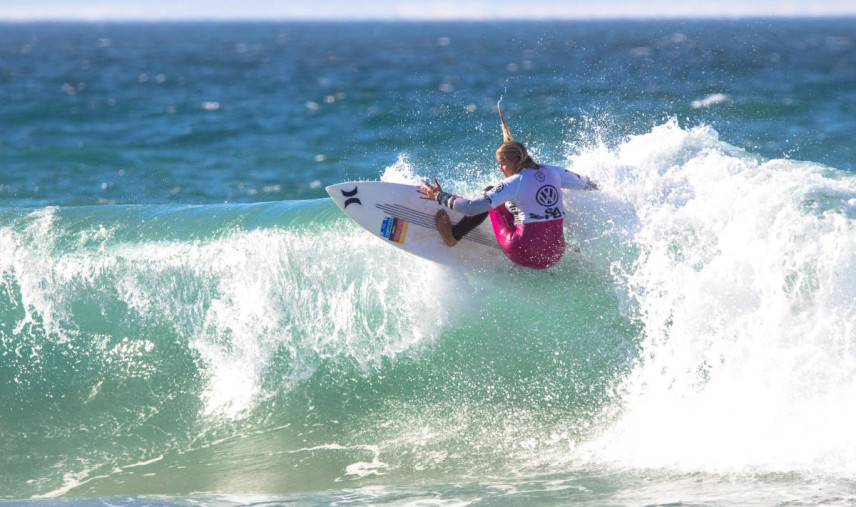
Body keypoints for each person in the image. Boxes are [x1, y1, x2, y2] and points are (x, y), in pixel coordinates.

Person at [417, 104, 597, 270]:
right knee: (521, 205)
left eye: (502, 163)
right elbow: (589, 184)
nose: (500, 168)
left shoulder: (514, 182)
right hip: (554, 255)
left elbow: (472, 208)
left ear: (516, 160)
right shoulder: (555, 172)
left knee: (489, 193)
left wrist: (440, 196)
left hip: (523, 253)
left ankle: (452, 236)